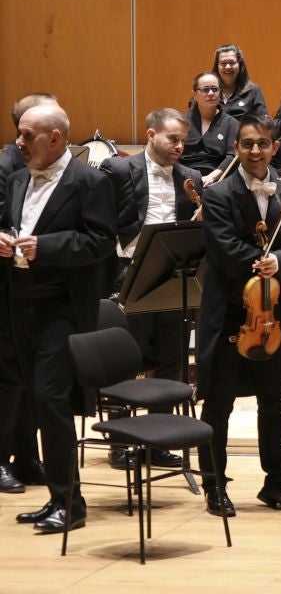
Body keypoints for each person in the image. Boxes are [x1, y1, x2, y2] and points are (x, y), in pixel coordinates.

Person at [190, 110, 281, 518]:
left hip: (272, 318)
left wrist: (279, 261)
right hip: (230, 314)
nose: (255, 151)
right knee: (218, 403)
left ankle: (277, 481)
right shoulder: (218, 195)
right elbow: (224, 249)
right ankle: (215, 486)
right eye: (247, 144)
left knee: (274, 401)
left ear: (275, 147)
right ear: (236, 148)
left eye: (262, 144)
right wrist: (257, 261)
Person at [0, 103, 114, 534]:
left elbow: (100, 242)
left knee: (51, 400)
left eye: (27, 135)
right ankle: (55, 497)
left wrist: (46, 246)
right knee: (34, 397)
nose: (19, 141)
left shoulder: (89, 182)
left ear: (55, 138)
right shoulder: (17, 179)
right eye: (19, 133)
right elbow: (13, 223)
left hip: (61, 308)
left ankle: (70, 503)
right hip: (19, 304)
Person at [101, 109, 201, 414]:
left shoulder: (191, 178)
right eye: (173, 139)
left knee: (172, 356)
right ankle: (121, 432)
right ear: (151, 135)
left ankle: (161, 428)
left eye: (183, 140)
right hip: (128, 273)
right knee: (125, 357)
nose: (179, 146)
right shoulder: (118, 170)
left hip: (173, 277)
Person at [183, 71, 239, 171]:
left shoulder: (231, 123)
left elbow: (232, 156)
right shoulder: (182, 121)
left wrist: (212, 177)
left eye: (215, 89)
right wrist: (185, 175)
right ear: (195, 94)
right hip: (184, 174)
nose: (211, 93)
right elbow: (172, 154)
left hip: (218, 176)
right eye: (205, 89)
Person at [211, 44, 269, 125]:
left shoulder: (253, 90)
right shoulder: (208, 91)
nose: (228, 67)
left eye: (232, 62)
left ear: (239, 64)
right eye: (223, 63)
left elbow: (263, 122)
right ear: (217, 66)